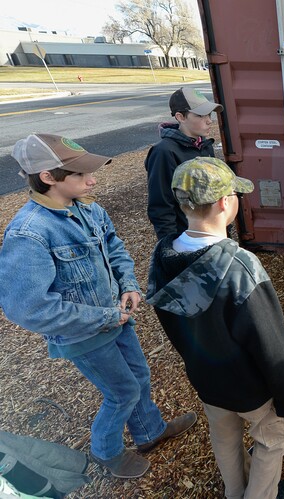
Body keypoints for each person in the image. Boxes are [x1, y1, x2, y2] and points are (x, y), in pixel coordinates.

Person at [0, 134, 196, 479]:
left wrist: (128, 285)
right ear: (48, 177)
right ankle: (106, 451)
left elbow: (114, 247)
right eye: (80, 175)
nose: (92, 180)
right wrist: (106, 314)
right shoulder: (29, 233)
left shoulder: (89, 208)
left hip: (115, 318)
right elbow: (28, 308)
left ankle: (149, 432)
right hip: (84, 334)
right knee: (121, 392)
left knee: (139, 377)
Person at [146, 157, 284, 499]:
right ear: (223, 202)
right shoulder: (239, 267)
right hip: (252, 389)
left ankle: (235, 492)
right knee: (274, 440)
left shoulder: (162, 257)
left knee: (226, 440)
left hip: (206, 379)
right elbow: (271, 345)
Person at [145, 86, 222, 240]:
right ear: (180, 117)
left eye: (209, 114)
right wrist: (171, 247)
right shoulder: (164, 152)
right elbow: (161, 206)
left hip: (212, 234)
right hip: (188, 239)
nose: (209, 121)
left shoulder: (204, 145)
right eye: (201, 115)